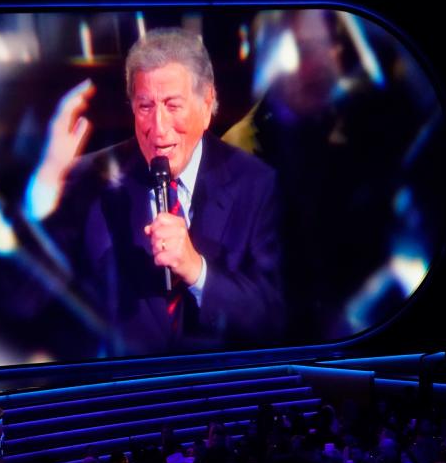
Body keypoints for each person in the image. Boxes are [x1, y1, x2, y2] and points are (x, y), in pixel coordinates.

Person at [37, 28, 284, 356]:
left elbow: (274, 320)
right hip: (121, 393)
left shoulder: (257, 184)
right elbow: (22, 298)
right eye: (145, 107)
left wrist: (197, 270)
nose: (159, 127)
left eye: (172, 105)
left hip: (220, 393)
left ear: (207, 101)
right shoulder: (88, 179)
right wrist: (45, 184)